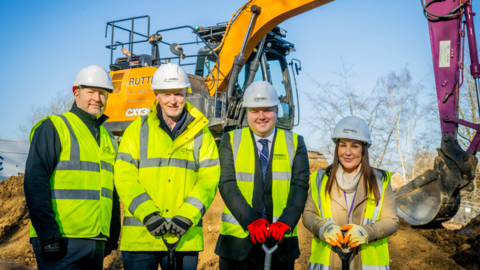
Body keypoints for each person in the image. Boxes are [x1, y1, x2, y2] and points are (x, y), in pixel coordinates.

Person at [114, 63, 220, 270]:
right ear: (156, 95)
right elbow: (124, 177)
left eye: (178, 94)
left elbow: (209, 180)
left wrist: (186, 216)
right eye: (166, 94)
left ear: (186, 94)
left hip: (184, 238)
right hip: (140, 238)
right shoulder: (136, 130)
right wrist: (148, 215)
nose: (173, 101)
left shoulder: (202, 135)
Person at [24, 65, 121, 270]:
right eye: (91, 92)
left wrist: (112, 234)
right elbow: (35, 181)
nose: (97, 98)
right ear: (76, 93)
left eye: (102, 93)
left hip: (96, 241)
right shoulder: (54, 126)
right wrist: (48, 235)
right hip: (62, 239)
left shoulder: (108, 138)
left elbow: (110, 191)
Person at [215, 81, 310, 270]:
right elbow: (227, 184)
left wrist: (285, 223)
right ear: (247, 112)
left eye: (267, 110)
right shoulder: (230, 140)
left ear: (276, 110)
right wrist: (251, 221)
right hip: (237, 246)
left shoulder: (296, 142)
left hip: (280, 245)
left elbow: (299, 186)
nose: (261, 116)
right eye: (254, 111)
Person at [303, 116, 398, 270]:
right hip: (327, 264)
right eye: (342, 145)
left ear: (364, 149)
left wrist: (366, 232)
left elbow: (392, 221)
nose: (347, 152)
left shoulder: (381, 180)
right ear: (337, 148)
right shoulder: (319, 179)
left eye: (354, 146)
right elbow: (308, 214)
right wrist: (323, 227)